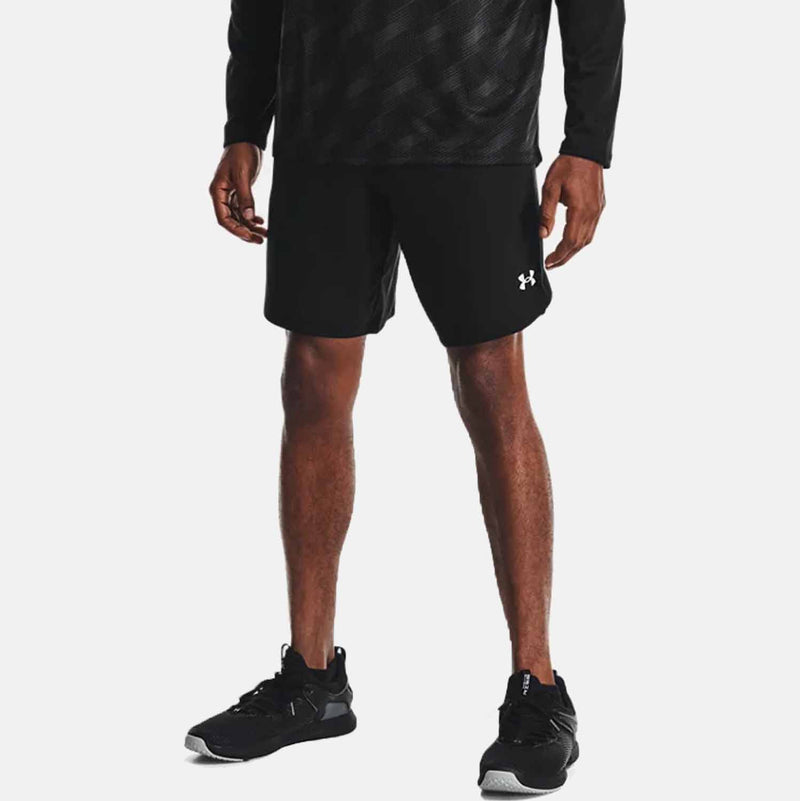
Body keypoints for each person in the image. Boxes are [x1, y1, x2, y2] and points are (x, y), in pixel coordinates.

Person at [186, 0, 624, 792]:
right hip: (325, 132)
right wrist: (245, 125)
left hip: (474, 128)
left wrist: (587, 141)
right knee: (310, 380)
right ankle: (312, 680)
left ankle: (538, 688)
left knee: (491, 381)